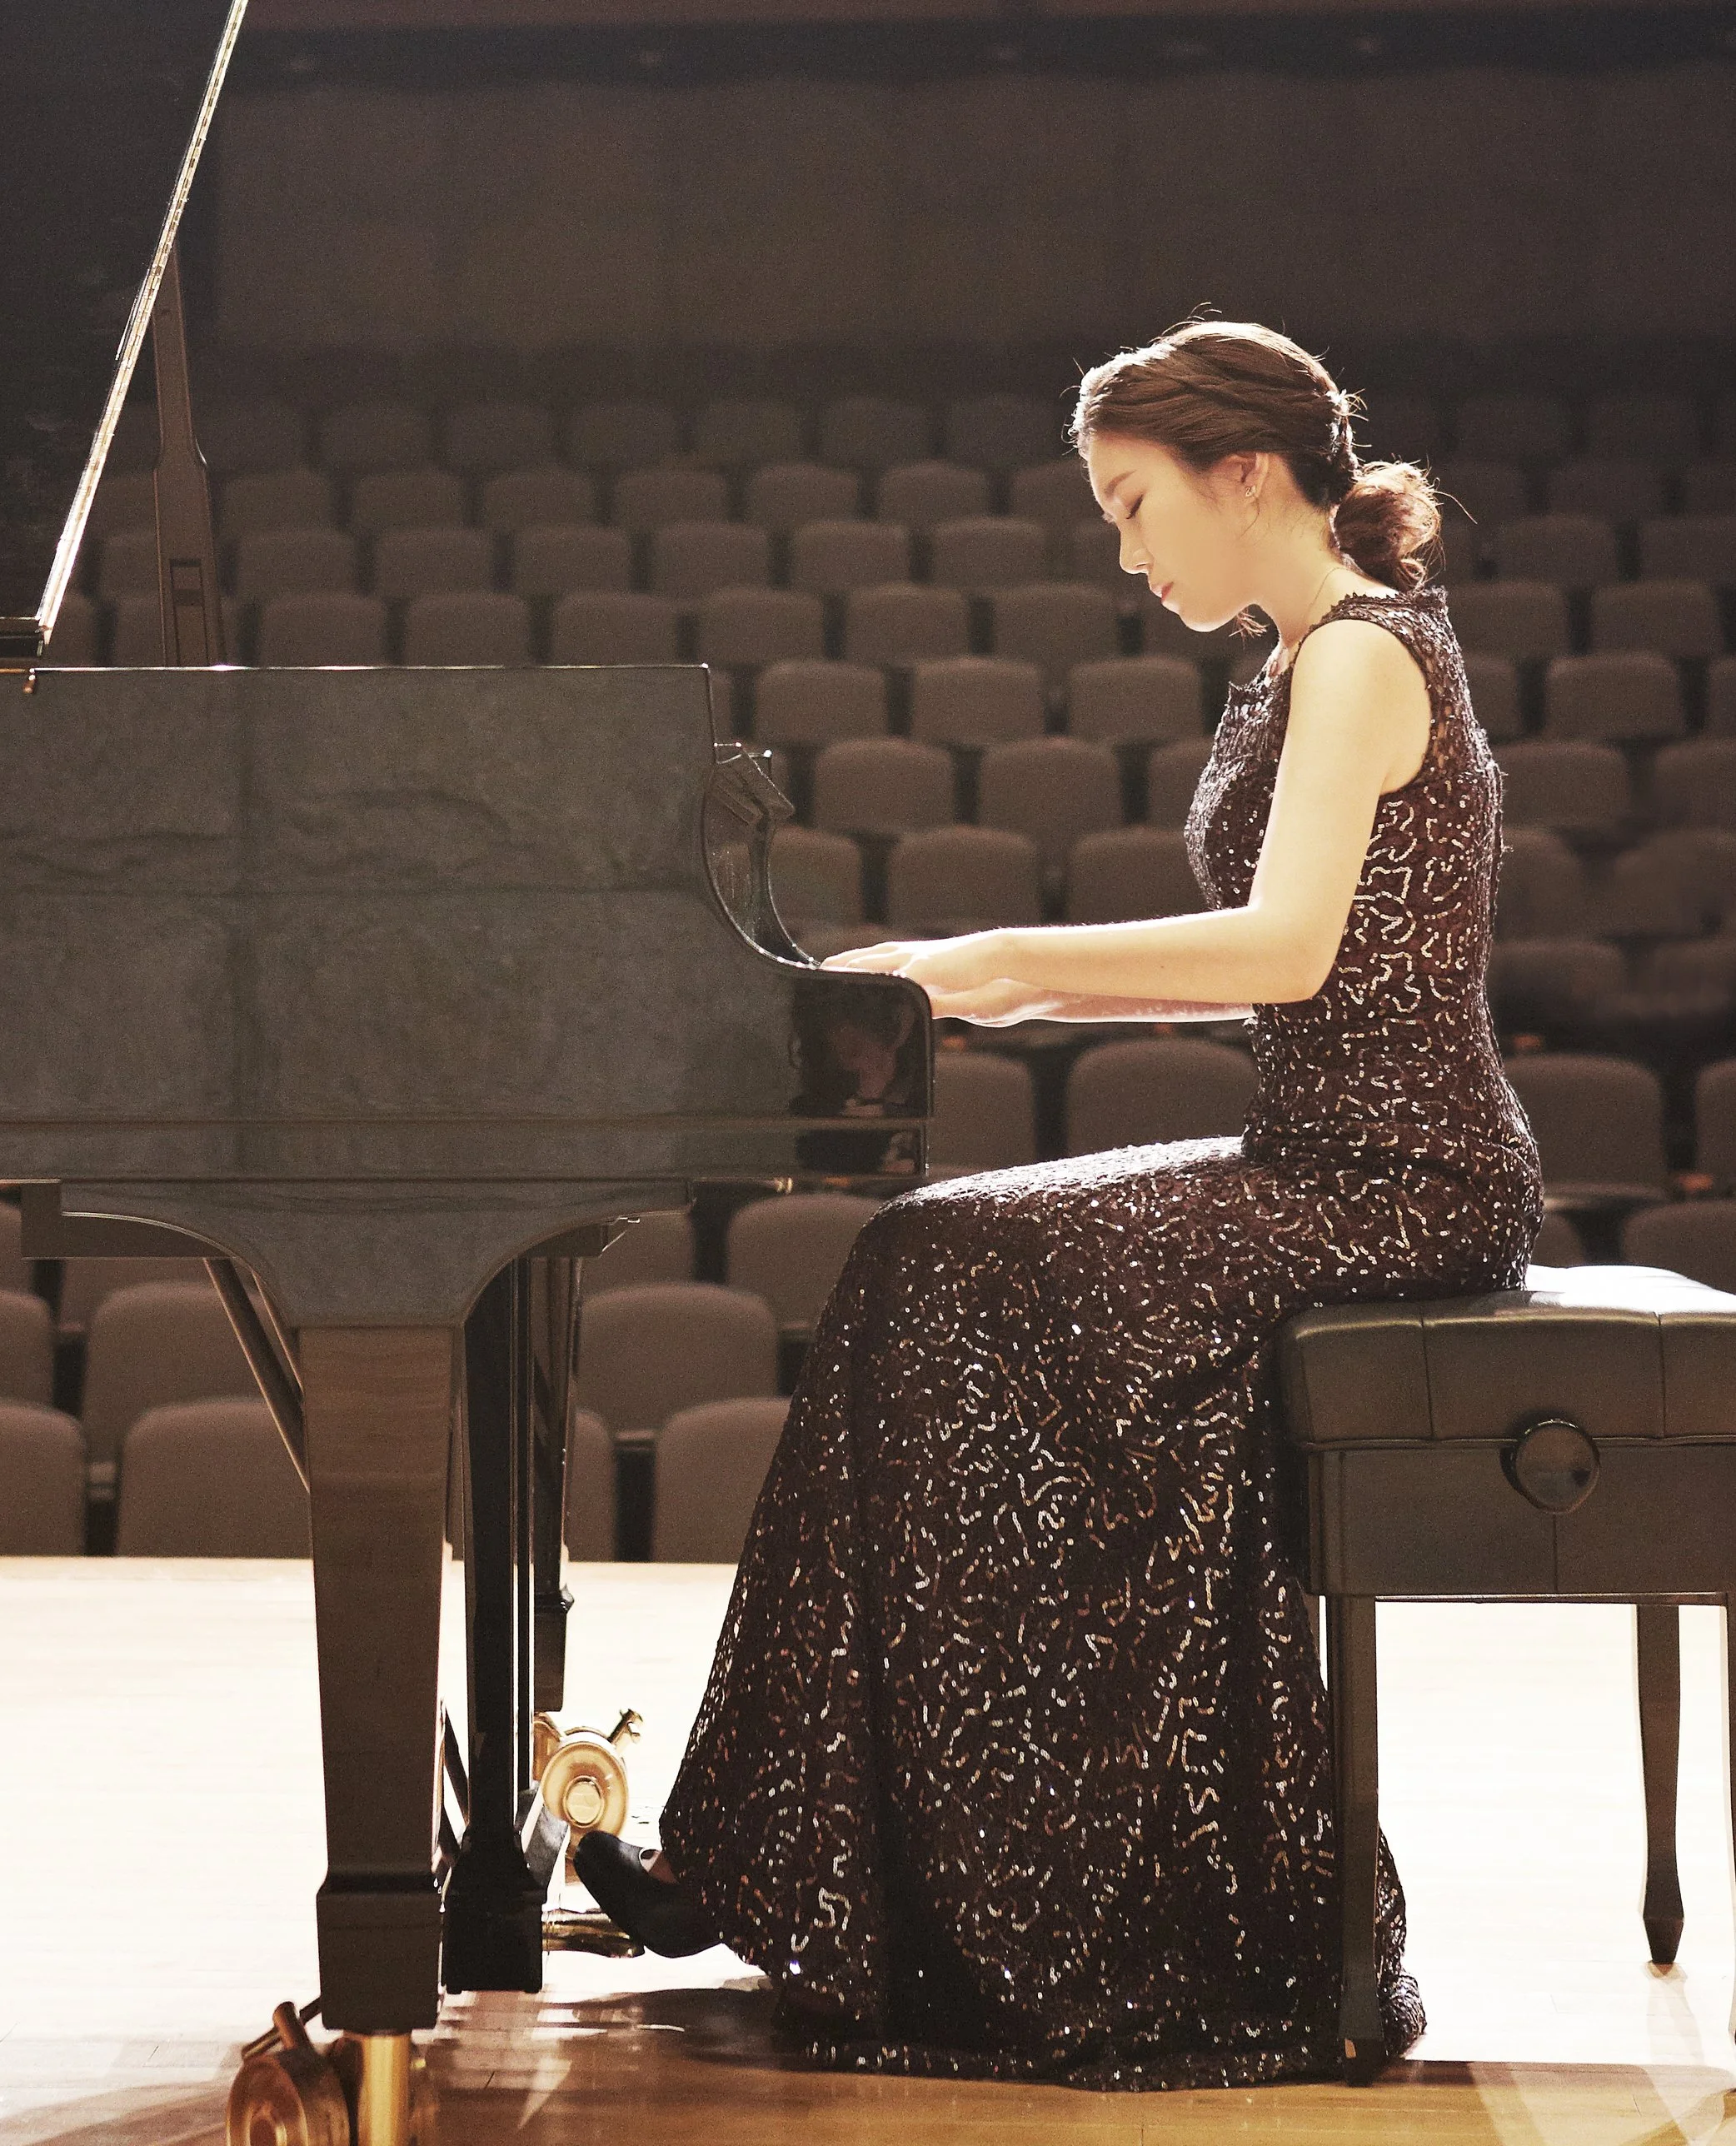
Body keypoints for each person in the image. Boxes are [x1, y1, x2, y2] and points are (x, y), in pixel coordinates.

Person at [576, 319, 1543, 2087]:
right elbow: (1268, 966)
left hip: (1404, 1178)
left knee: (939, 1275)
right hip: (1316, 1159)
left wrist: (995, 954)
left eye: (1130, 503)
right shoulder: (1292, 660)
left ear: (1241, 474)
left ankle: (965, 1888)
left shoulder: (1358, 654)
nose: (1124, 550)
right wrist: (949, 981)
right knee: (914, 1258)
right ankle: (789, 1860)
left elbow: (1285, 950)